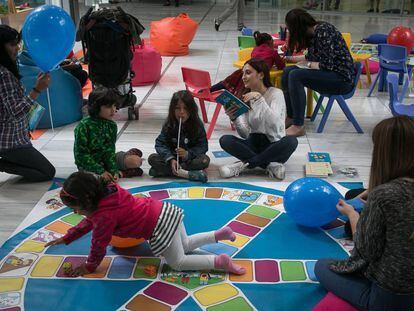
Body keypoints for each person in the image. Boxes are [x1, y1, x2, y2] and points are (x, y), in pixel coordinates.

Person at [45, 171, 246, 277]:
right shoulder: (110, 191)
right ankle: (219, 234)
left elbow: (99, 243)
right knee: (184, 245)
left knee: (178, 263)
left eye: (76, 209)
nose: (76, 213)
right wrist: (68, 236)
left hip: (158, 227)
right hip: (166, 211)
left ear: (88, 201)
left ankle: (219, 262)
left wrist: (90, 266)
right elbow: (89, 221)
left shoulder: (103, 217)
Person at [315, 116, 414, 310]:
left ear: (384, 153)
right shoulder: (385, 193)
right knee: (354, 195)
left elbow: (364, 253)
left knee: (322, 266)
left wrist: (352, 214)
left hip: (390, 300)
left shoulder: (385, 196)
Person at [219, 58, 298, 180]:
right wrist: (234, 118)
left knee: (291, 141)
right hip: (254, 143)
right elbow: (245, 134)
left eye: (248, 72)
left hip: (274, 143)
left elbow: (276, 125)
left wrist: (259, 99)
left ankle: (244, 164)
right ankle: (269, 165)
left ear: (261, 75)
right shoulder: (245, 97)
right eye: (243, 73)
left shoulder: (276, 93)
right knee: (225, 140)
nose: (243, 77)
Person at [281, 8, 355, 137]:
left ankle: (298, 125)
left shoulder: (323, 31)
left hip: (341, 79)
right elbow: (312, 56)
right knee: (287, 71)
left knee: (295, 75)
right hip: (332, 74)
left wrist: (307, 64)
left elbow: (326, 65)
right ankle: (292, 117)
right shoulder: (314, 33)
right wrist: (290, 59)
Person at [0, 25, 55, 182]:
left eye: (17, 43)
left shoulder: (6, 70)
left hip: (15, 137)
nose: (17, 48)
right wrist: (37, 89)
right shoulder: (4, 75)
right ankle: (3, 164)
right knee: (47, 172)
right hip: (10, 142)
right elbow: (15, 111)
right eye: (12, 44)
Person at [74, 87, 143, 182]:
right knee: (97, 182)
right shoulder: (83, 127)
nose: (113, 110)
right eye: (108, 107)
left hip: (106, 161)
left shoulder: (111, 126)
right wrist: (101, 171)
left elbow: (109, 151)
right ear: (96, 107)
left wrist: (113, 170)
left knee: (136, 161)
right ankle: (122, 173)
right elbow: (81, 156)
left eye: (114, 106)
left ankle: (124, 162)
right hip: (89, 167)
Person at [148, 90, 209, 182]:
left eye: (185, 108)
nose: (181, 112)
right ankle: (187, 174)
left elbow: (203, 146)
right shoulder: (169, 125)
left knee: (204, 160)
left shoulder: (197, 125)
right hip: (172, 159)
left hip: (190, 160)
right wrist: (170, 158)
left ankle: (165, 171)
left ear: (191, 109)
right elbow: (160, 144)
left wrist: (187, 154)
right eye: (177, 108)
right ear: (172, 110)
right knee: (152, 158)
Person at [210, 31, 285, 99]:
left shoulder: (255, 49)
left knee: (228, 80)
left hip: (246, 69)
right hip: (258, 74)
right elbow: (281, 66)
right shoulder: (273, 52)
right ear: (270, 42)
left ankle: (209, 89)